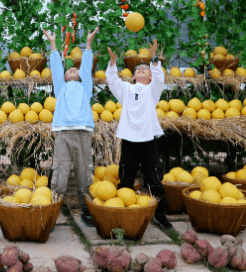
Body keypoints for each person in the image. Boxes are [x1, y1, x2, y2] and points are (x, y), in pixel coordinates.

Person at [105, 39, 172, 229]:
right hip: (129, 141)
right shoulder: (126, 90)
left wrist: (154, 59)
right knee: (126, 178)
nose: (141, 70)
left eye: (145, 69)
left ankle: (160, 214)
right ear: (133, 77)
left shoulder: (152, 91)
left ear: (149, 77)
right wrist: (112, 65)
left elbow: (160, 79)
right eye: (138, 70)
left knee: (153, 178)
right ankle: (123, 212)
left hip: (148, 140)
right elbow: (113, 81)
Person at [43, 26, 99, 227]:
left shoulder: (85, 88)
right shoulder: (61, 88)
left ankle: (86, 210)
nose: (72, 70)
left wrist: (89, 44)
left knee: (84, 172)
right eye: (69, 70)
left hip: (83, 132)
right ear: (65, 77)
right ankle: (51, 208)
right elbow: (56, 67)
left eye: (75, 69)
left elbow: (86, 66)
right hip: (64, 134)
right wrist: (52, 44)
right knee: (60, 172)